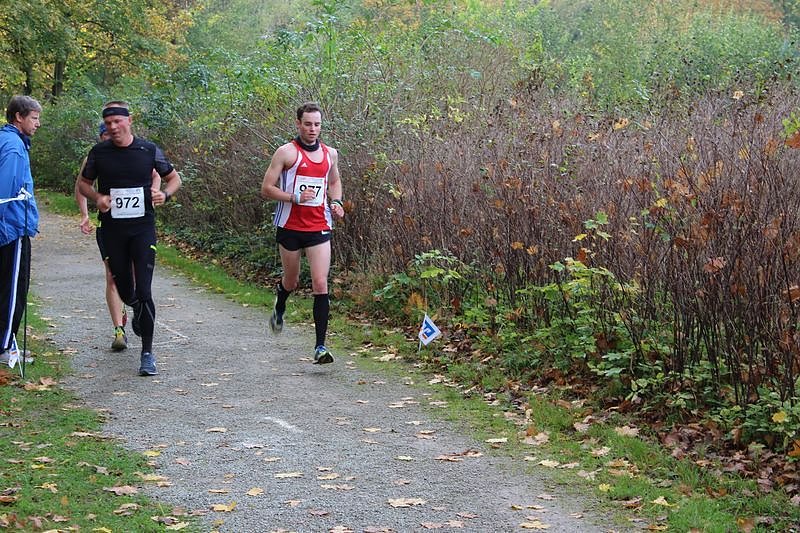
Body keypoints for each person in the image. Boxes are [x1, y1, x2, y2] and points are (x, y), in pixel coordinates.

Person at [78, 101, 181, 376]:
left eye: (117, 121)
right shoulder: (99, 153)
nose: (113, 127)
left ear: (129, 120)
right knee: (124, 289)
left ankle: (147, 353)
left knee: (144, 290)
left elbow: (174, 179)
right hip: (113, 231)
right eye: (108, 123)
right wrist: (98, 198)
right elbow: (83, 184)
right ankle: (134, 306)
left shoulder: (148, 150)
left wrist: (165, 194)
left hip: (142, 229)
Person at [260, 102, 345, 364]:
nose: (312, 129)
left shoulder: (330, 154)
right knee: (292, 280)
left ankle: (320, 347)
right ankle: (280, 303)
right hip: (290, 227)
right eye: (307, 124)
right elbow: (266, 188)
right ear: (298, 124)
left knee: (320, 283)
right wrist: (294, 197)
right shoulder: (286, 153)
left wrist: (337, 201)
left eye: (317, 124)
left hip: (319, 226)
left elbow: (334, 181)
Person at [74, 122, 161, 352]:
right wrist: (85, 215)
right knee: (112, 277)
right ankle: (118, 330)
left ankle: (135, 305)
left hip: (137, 227)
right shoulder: (95, 157)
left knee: (132, 276)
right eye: (105, 135)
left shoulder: (137, 154)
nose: (110, 138)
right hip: (108, 227)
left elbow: (156, 175)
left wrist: (153, 194)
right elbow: (82, 186)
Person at [0, 96, 42, 367]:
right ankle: (4, 347)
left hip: (10, 226)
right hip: (11, 228)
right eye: (34, 118)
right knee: (14, 288)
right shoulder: (14, 146)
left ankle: (7, 342)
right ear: (19, 117)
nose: (38, 124)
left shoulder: (7, 140)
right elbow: (4, 190)